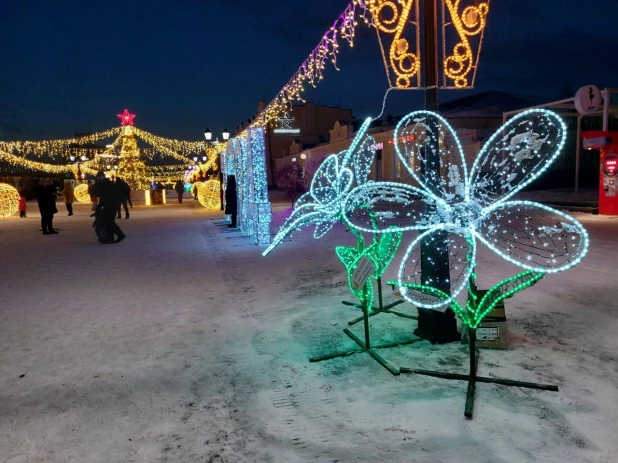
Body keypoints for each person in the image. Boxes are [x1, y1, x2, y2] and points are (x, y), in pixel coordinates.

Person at [92, 171, 126, 243]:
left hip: (110, 205)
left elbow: (104, 196)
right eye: (98, 177)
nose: (98, 178)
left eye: (99, 177)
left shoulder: (105, 184)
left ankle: (120, 234)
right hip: (111, 204)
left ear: (103, 176)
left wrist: (100, 206)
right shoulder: (105, 183)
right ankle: (110, 238)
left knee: (109, 221)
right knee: (107, 221)